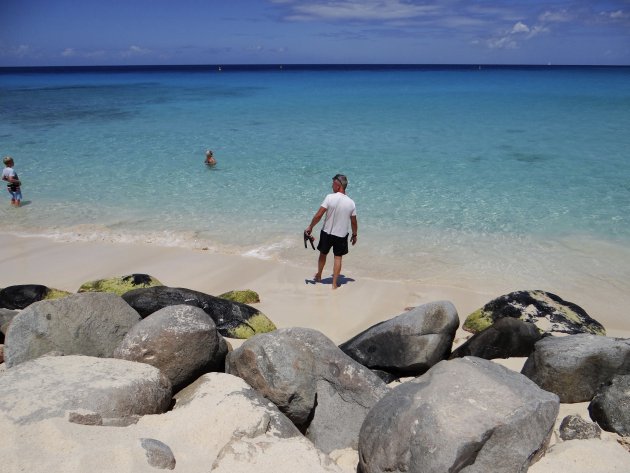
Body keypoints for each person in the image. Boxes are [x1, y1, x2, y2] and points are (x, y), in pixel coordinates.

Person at [305, 174, 358, 289]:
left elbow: (319, 215)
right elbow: (354, 222)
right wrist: (354, 234)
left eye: (333, 183)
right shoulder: (351, 203)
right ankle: (334, 284)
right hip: (341, 235)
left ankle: (319, 275)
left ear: (338, 185)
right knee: (338, 257)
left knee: (323, 254)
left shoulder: (329, 197)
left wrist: (310, 226)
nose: (331, 186)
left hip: (326, 233)